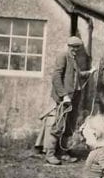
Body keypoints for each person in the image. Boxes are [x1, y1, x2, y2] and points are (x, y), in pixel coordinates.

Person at [35, 36, 96, 165]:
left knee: (69, 126)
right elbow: (56, 77)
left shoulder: (74, 59)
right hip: (64, 99)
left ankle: (62, 153)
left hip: (74, 98)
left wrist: (90, 72)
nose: (75, 49)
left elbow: (77, 76)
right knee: (58, 125)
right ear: (68, 46)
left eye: (77, 47)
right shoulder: (62, 56)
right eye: (73, 47)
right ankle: (50, 154)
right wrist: (63, 95)